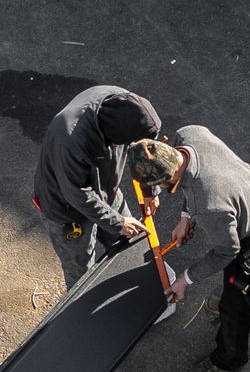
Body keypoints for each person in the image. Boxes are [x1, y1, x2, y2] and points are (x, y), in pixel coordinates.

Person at [129, 127, 250, 372]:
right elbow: (195, 179)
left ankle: (229, 358)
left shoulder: (208, 206)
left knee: (235, 302)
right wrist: (187, 217)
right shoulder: (189, 135)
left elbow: (228, 251)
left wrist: (184, 280)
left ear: (166, 181)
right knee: (249, 293)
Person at [33, 86, 161, 287]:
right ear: (116, 136)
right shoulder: (70, 139)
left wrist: (149, 189)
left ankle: (132, 291)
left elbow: (146, 151)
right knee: (81, 273)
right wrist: (118, 222)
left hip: (106, 190)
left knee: (131, 243)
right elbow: (77, 194)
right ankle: (82, 311)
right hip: (67, 209)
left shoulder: (126, 107)